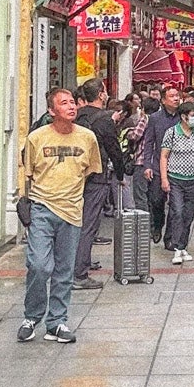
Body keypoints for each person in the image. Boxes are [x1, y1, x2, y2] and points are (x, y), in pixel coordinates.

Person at [18, 86, 102, 344]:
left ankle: (57, 322)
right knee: (39, 266)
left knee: (64, 270)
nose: (71, 106)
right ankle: (32, 317)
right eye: (64, 103)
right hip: (42, 207)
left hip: (72, 211)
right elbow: (28, 172)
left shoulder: (87, 138)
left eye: (72, 102)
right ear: (52, 110)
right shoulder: (37, 138)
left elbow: (90, 170)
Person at [71, 77, 128, 287]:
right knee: (88, 224)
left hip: (76, 176)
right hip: (97, 176)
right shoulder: (104, 119)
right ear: (101, 94)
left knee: (75, 222)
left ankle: (78, 262)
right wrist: (121, 176)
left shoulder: (76, 116)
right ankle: (79, 274)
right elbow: (114, 150)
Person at [159, 94, 194, 264]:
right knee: (177, 211)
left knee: (188, 214)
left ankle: (182, 246)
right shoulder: (171, 133)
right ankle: (176, 248)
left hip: (193, 180)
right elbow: (164, 157)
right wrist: (164, 179)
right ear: (183, 117)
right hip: (175, 179)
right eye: (193, 115)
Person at [140, 85, 181, 244]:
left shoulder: (182, 117)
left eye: (177, 95)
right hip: (157, 166)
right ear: (163, 100)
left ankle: (170, 237)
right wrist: (147, 165)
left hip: (177, 167)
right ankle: (157, 225)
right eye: (172, 96)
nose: (176, 99)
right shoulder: (155, 118)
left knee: (176, 205)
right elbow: (149, 143)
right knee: (156, 200)